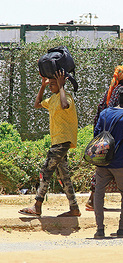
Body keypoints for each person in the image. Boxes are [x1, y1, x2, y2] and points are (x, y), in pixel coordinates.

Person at [19, 70, 80, 217]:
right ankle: (74, 208)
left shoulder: (66, 97)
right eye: (50, 84)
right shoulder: (52, 99)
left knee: (46, 170)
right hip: (56, 141)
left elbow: (64, 105)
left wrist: (61, 87)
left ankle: (37, 205)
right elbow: (37, 104)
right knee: (63, 175)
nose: (51, 86)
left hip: (63, 140)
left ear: (60, 84)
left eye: (53, 84)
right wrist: (42, 86)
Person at [92, 87, 123, 239]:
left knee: (99, 193)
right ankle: (122, 228)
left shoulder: (105, 113)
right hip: (119, 163)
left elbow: (96, 133)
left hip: (102, 161)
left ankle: (99, 229)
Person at [86, 65, 123, 210]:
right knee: (115, 166)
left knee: (103, 166)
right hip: (115, 134)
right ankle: (94, 201)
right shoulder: (121, 91)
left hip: (105, 133)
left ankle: (93, 200)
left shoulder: (111, 90)